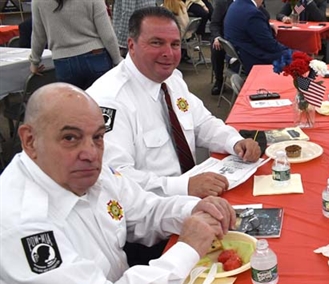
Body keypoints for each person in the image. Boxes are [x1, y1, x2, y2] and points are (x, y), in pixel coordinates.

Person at [0, 83, 236, 284]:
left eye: (98, 137)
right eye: (70, 138)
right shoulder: (21, 222)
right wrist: (187, 248)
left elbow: (145, 210)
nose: (90, 153)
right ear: (30, 141)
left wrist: (194, 208)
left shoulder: (86, 173)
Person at [87, 7, 261, 199]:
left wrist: (234, 141)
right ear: (131, 45)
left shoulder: (171, 80)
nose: (168, 53)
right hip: (150, 214)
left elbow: (203, 123)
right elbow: (116, 178)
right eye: (156, 43)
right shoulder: (109, 100)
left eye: (175, 44)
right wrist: (183, 186)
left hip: (192, 197)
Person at [29, 0, 122, 90]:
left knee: (73, 105)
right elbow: (107, 34)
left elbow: (38, 35)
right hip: (96, 56)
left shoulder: (38, 2)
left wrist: (34, 62)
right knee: (102, 102)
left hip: (63, 61)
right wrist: (117, 60)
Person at [224, 0, 290, 73]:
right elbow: (269, 45)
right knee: (298, 59)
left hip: (240, 54)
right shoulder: (253, 13)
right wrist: (289, 51)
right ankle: (300, 84)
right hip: (253, 58)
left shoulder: (235, 5)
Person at [209, 0, 233, 95]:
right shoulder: (222, 3)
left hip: (240, 38)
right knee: (216, 49)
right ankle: (219, 80)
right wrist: (217, 37)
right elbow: (214, 24)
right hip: (223, 37)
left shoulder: (249, 3)